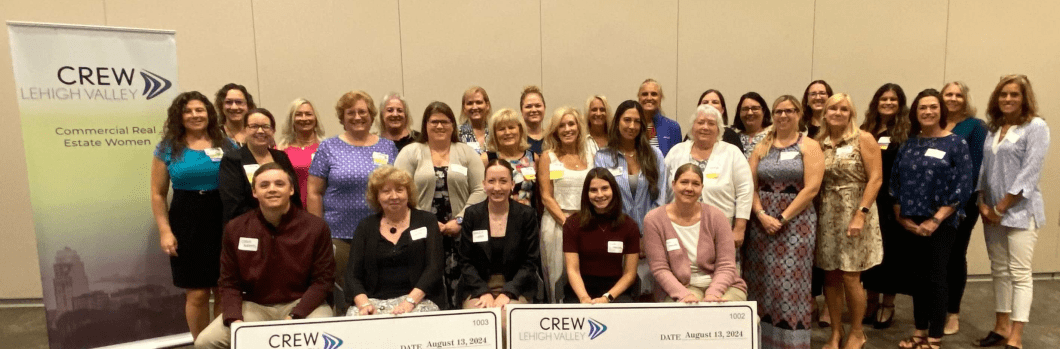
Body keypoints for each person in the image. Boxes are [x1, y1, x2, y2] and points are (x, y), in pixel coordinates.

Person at [194, 163, 335, 349]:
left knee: (327, 339)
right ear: (254, 192)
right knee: (205, 342)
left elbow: (323, 281)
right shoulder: (235, 228)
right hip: (255, 306)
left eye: (279, 184)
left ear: (291, 189)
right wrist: (234, 319)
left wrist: (295, 316)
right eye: (264, 185)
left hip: (304, 304)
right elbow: (229, 283)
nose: (272, 190)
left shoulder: (315, 227)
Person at [150, 91, 237, 339]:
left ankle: (220, 341)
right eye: (188, 111)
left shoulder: (226, 143)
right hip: (186, 220)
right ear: (179, 116)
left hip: (222, 217)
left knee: (223, 288)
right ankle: (201, 344)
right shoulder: (167, 147)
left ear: (209, 113)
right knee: (197, 293)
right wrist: (165, 231)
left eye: (200, 110)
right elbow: (157, 193)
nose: (195, 115)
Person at [891, 89, 973, 349]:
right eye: (922, 108)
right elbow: (895, 182)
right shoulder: (909, 143)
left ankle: (934, 337)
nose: (927, 112)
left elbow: (963, 187)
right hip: (910, 221)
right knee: (917, 277)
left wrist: (935, 220)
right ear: (916, 113)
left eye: (933, 107)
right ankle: (919, 332)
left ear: (941, 111)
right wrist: (901, 217)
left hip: (941, 222)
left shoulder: (956, 143)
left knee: (937, 277)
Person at [743, 95, 824, 349]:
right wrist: (761, 215)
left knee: (790, 286)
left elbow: (811, 189)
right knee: (762, 282)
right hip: (762, 224)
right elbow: (750, 185)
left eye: (789, 111)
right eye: (778, 111)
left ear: (799, 114)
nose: (783, 116)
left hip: (796, 224)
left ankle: (790, 343)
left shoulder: (809, 146)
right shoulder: (761, 145)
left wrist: (782, 217)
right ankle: (760, 341)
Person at [975, 75, 1049, 349]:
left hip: (1019, 211)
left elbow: (1030, 173)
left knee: (1019, 273)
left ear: (1024, 98)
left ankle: (1015, 336)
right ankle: (1001, 326)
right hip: (991, 210)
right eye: (1003, 94)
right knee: (999, 270)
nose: (1008, 99)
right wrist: (983, 202)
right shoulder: (996, 128)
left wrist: (1001, 207)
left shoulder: (1036, 127)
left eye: (1014, 94)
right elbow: (985, 169)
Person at [307, 90, 398, 313]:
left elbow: (398, 188)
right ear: (342, 117)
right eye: (351, 113)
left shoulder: (387, 147)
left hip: (382, 233)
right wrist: (318, 232)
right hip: (339, 235)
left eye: (362, 112)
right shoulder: (328, 147)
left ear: (371, 115)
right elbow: (314, 191)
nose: (357, 117)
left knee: (380, 293)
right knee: (345, 294)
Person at [395, 101, 487, 309]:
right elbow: (399, 191)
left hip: (460, 231)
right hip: (421, 231)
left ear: (453, 125)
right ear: (425, 125)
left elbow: (481, 189)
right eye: (434, 121)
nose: (439, 126)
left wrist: (460, 220)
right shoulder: (411, 152)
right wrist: (425, 221)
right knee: (427, 280)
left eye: (444, 122)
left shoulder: (466, 153)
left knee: (460, 282)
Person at [815, 93, 883, 349]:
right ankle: (835, 332)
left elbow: (875, 178)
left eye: (844, 109)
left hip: (855, 211)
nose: (838, 112)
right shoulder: (818, 142)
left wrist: (860, 214)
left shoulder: (863, 138)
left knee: (851, 276)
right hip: (827, 213)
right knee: (830, 276)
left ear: (851, 113)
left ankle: (857, 331)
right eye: (833, 108)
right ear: (825, 112)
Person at [346, 166, 445, 315]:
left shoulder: (426, 221)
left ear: (408, 193)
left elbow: (434, 267)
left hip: (419, 300)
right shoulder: (365, 226)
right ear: (377, 196)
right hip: (373, 301)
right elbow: (352, 275)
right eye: (386, 191)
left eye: (399, 190)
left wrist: (409, 303)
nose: (394, 196)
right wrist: (364, 305)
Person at [594, 100, 668, 298]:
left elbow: (661, 198)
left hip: (650, 238)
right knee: (619, 293)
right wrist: (628, 236)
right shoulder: (602, 157)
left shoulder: (655, 155)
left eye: (637, 121)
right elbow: (601, 199)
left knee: (649, 294)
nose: (632, 126)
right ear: (617, 122)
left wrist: (645, 236)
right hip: (615, 236)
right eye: (627, 120)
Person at [644, 164, 748, 303]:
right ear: (673, 185)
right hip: (681, 286)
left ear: (702, 188)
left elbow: (726, 265)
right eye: (684, 182)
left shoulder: (717, 216)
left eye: (695, 184)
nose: (689, 188)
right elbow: (659, 269)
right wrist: (684, 295)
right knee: (689, 316)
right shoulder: (654, 220)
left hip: (724, 284)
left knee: (727, 314)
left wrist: (714, 293)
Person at [664, 104, 752, 250]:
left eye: (711, 123)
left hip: (720, 227)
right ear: (693, 127)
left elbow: (745, 190)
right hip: (679, 226)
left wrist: (739, 228)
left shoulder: (732, 153)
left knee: (722, 268)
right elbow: (663, 188)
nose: (705, 127)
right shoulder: (677, 151)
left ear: (719, 129)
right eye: (700, 122)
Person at [859, 83, 911, 329]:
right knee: (869, 252)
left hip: (892, 200)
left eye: (893, 100)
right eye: (884, 99)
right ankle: (870, 300)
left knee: (891, 254)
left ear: (900, 104)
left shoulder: (906, 132)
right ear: (876, 103)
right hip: (868, 198)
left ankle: (887, 304)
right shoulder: (865, 129)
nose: (888, 103)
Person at [458, 160, 541, 308]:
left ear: (512, 184)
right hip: (478, 288)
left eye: (503, 181)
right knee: (481, 320)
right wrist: (483, 292)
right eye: (491, 181)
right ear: (484, 184)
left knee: (505, 320)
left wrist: (508, 292)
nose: (497, 188)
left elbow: (530, 262)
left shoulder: (526, 215)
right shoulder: (472, 215)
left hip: (517, 288)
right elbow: (465, 262)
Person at [940, 81, 988, 335]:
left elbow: (978, 166)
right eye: (949, 94)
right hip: (933, 202)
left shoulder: (975, 127)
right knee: (936, 256)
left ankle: (953, 314)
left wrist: (961, 199)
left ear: (965, 99)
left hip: (962, 203)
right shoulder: (934, 123)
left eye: (958, 95)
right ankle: (935, 308)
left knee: (955, 255)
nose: (953, 98)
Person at [537, 107, 593, 302]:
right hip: (557, 225)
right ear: (555, 130)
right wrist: (567, 223)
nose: (567, 129)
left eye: (571, 124)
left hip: (587, 224)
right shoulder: (548, 157)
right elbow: (546, 196)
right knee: (558, 279)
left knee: (586, 277)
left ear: (579, 127)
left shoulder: (589, 156)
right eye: (562, 125)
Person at [563, 168, 639, 303]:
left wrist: (607, 297)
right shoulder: (572, 224)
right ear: (586, 194)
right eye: (593, 190)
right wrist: (584, 298)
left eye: (605, 188)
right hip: (580, 290)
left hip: (616, 291)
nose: (600, 194)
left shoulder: (629, 225)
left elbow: (630, 274)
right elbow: (573, 270)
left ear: (613, 190)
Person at [219, 108, 300, 224]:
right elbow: (234, 204)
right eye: (254, 126)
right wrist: (270, 220)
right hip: (247, 226)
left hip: (285, 224)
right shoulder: (232, 160)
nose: (260, 131)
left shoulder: (281, 157)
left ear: (273, 130)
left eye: (266, 126)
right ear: (245, 130)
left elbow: (294, 194)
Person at [485, 109, 537, 208]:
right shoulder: (487, 159)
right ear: (494, 133)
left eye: (511, 127)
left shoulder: (533, 157)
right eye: (501, 129)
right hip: (497, 217)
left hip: (528, 219)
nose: (507, 132)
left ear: (520, 130)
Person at [278, 98, 325, 208]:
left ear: (315, 118)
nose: (304, 119)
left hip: (323, 209)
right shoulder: (280, 150)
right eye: (298, 114)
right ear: (292, 119)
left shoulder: (326, 148)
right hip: (292, 211)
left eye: (308, 114)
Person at [638, 78, 682, 155]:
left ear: (660, 98)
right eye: (645, 94)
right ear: (639, 98)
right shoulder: (632, 125)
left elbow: (676, 159)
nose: (649, 98)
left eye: (654, 94)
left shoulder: (673, 127)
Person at [732, 92, 773, 158]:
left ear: (764, 111)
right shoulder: (734, 138)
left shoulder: (773, 135)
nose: (750, 113)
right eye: (745, 109)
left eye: (755, 108)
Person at [458, 86, 493, 156]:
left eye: (479, 102)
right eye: (470, 103)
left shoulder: (495, 132)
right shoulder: (456, 133)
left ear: (487, 105)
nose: (474, 107)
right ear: (464, 108)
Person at [520, 86, 548, 154]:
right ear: (521, 110)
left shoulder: (552, 138)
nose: (534, 110)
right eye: (528, 106)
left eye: (538, 106)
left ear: (544, 108)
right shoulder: (516, 140)